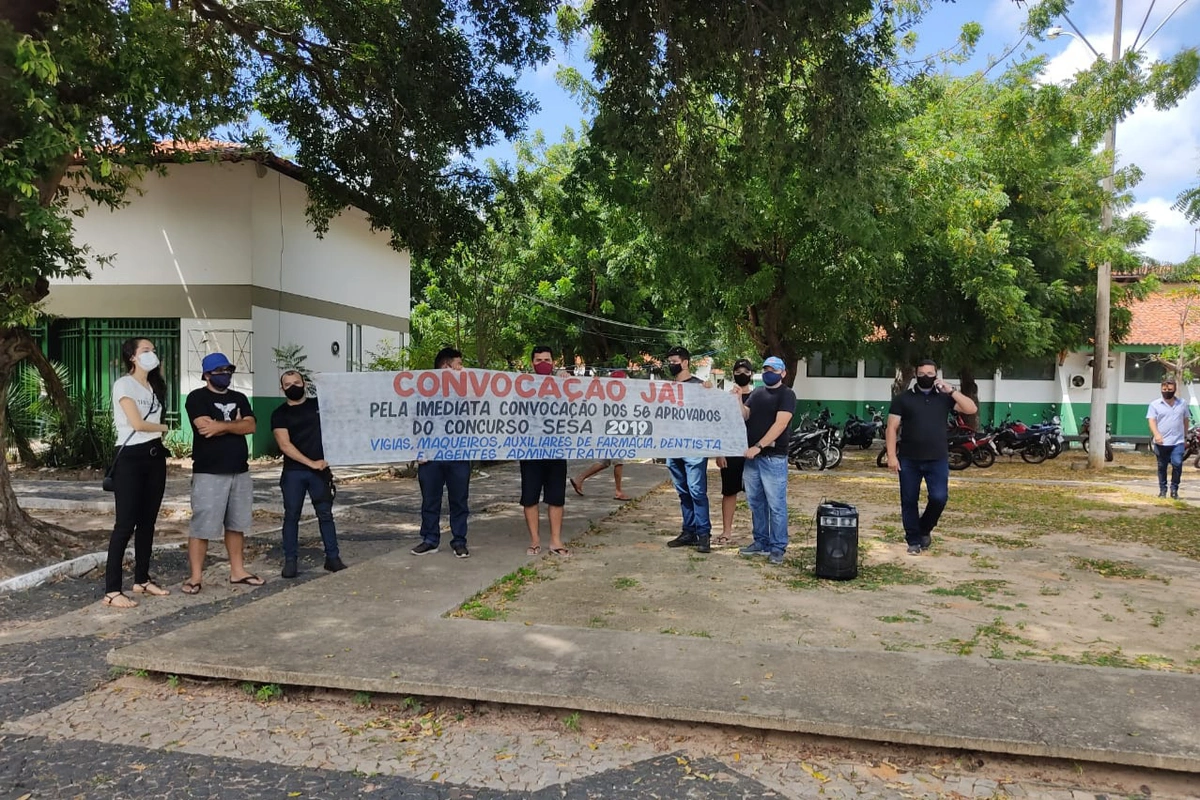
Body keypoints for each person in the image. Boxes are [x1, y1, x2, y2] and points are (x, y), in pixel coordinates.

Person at [183, 352, 263, 593]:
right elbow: (204, 428)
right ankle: (195, 577)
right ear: (207, 375)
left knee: (236, 524)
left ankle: (237, 572)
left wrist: (221, 426)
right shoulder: (196, 398)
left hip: (240, 471)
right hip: (209, 472)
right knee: (202, 525)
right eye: (219, 371)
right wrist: (233, 427)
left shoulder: (239, 397)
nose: (224, 375)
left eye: (228, 370)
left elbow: (251, 425)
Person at [102, 338, 172, 608]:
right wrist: (165, 428)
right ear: (132, 356)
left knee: (148, 523)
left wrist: (158, 431)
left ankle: (142, 578)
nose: (151, 354)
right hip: (130, 458)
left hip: (154, 457)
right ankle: (112, 590)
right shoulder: (124, 384)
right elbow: (137, 423)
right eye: (145, 350)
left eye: (153, 350)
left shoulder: (154, 386)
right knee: (124, 525)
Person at [885, 359, 978, 555]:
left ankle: (924, 528)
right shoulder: (903, 399)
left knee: (939, 498)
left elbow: (971, 409)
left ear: (936, 375)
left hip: (937, 459)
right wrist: (892, 456)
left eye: (930, 374)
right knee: (909, 500)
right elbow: (892, 428)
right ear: (915, 375)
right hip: (909, 460)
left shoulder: (944, 398)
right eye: (922, 374)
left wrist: (951, 391)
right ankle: (913, 540)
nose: (926, 377)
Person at [271, 370, 347, 578]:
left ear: (304, 383)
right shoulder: (279, 414)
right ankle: (290, 562)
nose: (293, 386)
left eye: (297, 382)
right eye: (288, 384)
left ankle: (333, 558)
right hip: (294, 473)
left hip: (320, 472)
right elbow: (285, 445)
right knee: (291, 516)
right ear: (282, 388)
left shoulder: (319, 405)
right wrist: (310, 463)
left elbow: (341, 411)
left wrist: (325, 380)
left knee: (325, 515)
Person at [412, 347, 473, 558]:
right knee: (430, 500)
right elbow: (415, 421)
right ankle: (430, 539)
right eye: (459, 364)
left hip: (459, 454)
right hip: (430, 456)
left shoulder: (467, 388)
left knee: (459, 500)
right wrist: (418, 450)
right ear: (446, 366)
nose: (461, 368)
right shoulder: (423, 390)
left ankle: (459, 541)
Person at [737, 357, 796, 565]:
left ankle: (778, 546)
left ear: (782, 373)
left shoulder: (787, 394)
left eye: (772, 369)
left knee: (776, 504)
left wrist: (759, 446)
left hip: (773, 457)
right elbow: (744, 415)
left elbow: (780, 425)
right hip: (752, 459)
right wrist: (738, 399)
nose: (767, 372)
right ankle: (760, 541)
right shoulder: (756, 393)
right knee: (755, 502)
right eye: (765, 369)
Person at [664, 346, 713, 552]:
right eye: (669, 361)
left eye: (674, 360)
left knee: (696, 491)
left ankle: (703, 534)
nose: (671, 364)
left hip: (694, 447)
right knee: (683, 491)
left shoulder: (700, 387)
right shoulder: (666, 388)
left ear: (685, 362)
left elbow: (712, 415)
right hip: (673, 446)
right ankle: (688, 531)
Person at [522, 345, 569, 557]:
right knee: (530, 497)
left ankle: (555, 540)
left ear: (554, 362)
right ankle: (534, 540)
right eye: (539, 360)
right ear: (532, 363)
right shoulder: (521, 387)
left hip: (557, 450)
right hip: (530, 452)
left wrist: (567, 382)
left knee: (556, 497)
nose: (543, 363)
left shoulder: (563, 384)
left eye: (547, 360)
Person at [570, 370, 631, 501]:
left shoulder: (608, 395)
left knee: (604, 462)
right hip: (614, 432)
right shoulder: (615, 397)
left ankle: (579, 478)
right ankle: (618, 491)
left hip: (610, 431)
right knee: (618, 462)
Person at [715, 358, 754, 546]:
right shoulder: (725, 399)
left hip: (753, 452)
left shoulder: (759, 397)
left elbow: (749, 417)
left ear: (751, 374)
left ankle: (760, 534)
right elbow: (721, 427)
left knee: (757, 494)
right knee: (729, 492)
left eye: (745, 372)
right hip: (731, 451)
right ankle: (726, 531)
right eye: (738, 372)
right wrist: (719, 452)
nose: (742, 375)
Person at [1147, 376, 1189, 499]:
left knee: (1177, 464)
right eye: (1164, 389)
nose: (1167, 391)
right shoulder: (1154, 405)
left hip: (1178, 441)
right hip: (1161, 442)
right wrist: (1157, 434)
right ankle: (1162, 490)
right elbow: (1152, 420)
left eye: (1170, 389)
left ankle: (1174, 489)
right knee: (1162, 466)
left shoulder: (1182, 404)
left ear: (1174, 389)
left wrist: (1185, 436)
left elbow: (1185, 420)